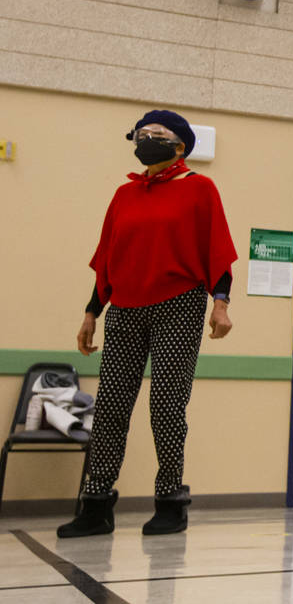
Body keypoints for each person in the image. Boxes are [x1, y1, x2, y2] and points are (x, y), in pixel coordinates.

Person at [58, 110, 238, 539]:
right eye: (140, 134)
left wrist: (221, 304)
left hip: (179, 305)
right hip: (125, 308)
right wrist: (91, 312)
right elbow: (107, 260)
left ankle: (170, 502)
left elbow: (217, 251)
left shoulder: (200, 188)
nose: (145, 140)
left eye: (155, 135)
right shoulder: (124, 195)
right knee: (111, 408)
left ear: (179, 146)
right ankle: (96, 506)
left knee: (167, 407)